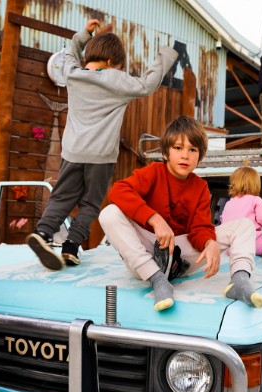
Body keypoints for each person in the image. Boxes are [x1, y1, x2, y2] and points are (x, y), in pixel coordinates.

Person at [26, 19, 178, 271]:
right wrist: (165, 54)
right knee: (90, 203)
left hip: (73, 151)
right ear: (111, 63)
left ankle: (42, 234)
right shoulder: (117, 81)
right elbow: (148, 84)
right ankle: (72, 246)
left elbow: (70, 56)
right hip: (101, 157)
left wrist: (83, 35)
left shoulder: (74, 74)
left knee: (62, 196)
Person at [98, 116, 262, 311]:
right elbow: (118, 191)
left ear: (200, 157)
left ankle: (239, 281)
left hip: (180, 259)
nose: (185, 155)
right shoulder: (154, 172)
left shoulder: (201, 187)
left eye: (192, 150)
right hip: (145, 257)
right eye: (178, 148)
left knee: (244, 225)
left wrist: (209, 242)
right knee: (109, 213)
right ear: (165, 152)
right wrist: (154, 218)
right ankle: (158, 280)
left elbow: (199, 229)